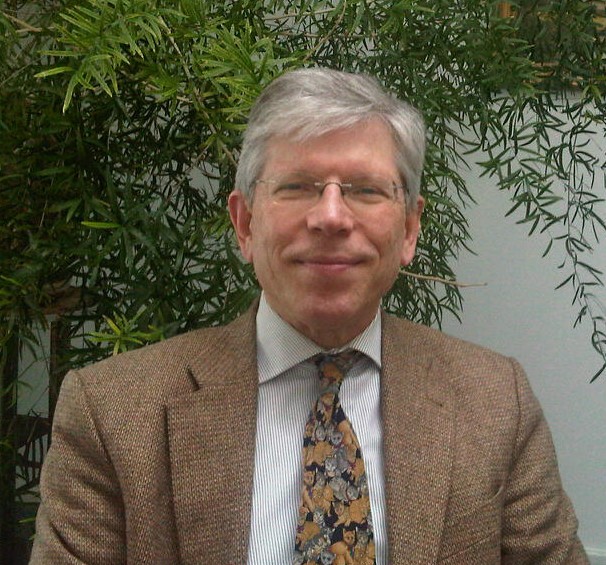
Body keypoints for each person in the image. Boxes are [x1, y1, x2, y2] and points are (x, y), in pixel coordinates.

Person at [30, 68, 588, 564]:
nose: (331, 217)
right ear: (245, 224)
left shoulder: (497, 402)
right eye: (297, 187)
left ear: (410, 229)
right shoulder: (113, 413)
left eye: (365, 190)